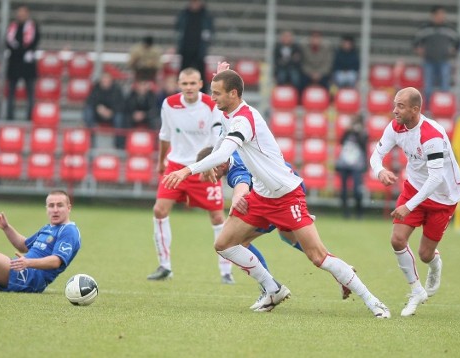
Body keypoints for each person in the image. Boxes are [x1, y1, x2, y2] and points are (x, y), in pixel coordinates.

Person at [163, 69, 390, 317]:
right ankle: (273, 289)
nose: (211, 97)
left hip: (286, 195)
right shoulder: (228, 114)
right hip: (261, 197)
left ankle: (373, 301)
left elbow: (224, 152)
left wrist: (187, 170)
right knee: (224, 244)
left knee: (317, 256)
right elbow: (219, 146)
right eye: (211, 92)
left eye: (216, 93)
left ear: (233, 93)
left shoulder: (244, 119)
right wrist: (223, 75)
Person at [197, 146, 353, 301]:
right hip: (289, 183)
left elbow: (242, 183)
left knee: (238, 242)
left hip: (282, 194)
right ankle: (341, 271)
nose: (203, 177)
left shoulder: (235, 167)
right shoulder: (234, 149)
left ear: (218, 164)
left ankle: (271, 288)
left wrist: (237, 197)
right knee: (290, 237)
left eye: (205, 171)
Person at [369, 87, 460, 316]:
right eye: (395, 104)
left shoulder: (431, 135)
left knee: (425, 254)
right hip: (414, 189)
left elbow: (436, 178)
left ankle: (435, 263)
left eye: (400, 106)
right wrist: (379, 170)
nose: (395, 110)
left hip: (442, 197)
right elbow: (376, 156)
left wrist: (407, 206)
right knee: (397, 240)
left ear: (415, 109)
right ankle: (416, 290)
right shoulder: (395, 127)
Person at [147, 67, 234, 284]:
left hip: (203, 166)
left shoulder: (211, 104)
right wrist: (161, 162)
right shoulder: (169, 104)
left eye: (193, 83)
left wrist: (212, 164)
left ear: (200, 84)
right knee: (159, 210)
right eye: (184, 84)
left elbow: (217, 135)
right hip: (176, 165)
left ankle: (226, 271)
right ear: (179, 84)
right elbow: (164, 135)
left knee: (217, 216)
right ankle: (164, 266)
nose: (189, 88)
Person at [413, 6, 460, 109]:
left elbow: (458, 41)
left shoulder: (449, 28)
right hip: (428, 61)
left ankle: (444, 108)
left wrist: (454, 50)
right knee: (428, 87)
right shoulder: (425, 28)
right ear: (433, 16)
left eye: (443, 15)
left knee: (445, 86)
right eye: (439, 15)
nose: (441, 17)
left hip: (444, 61)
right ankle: (428, 109)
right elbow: (415, 41)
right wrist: (419, 49)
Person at [5, 5, 40, 121]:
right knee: (11, 92)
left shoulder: (33, 26)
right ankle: (10, 117)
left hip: (27, 64)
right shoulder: (12, 27)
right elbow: (8, 42)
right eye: (19, 12)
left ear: (28, 13)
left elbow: (33, 42)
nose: (21, 14)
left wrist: (22, 50)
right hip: (14, 63)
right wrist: (20, 50)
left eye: (23, 12)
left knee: (30, 92)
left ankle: (30, 117)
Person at [175, 0, 214, 91]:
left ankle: (203, 93)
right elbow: (178, 29)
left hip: (199, 50)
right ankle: (181, 91)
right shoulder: (184, 15)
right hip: (186, 49)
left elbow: (210, 32)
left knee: (201, 74)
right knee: (183, 73)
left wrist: (206, 45)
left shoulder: (206, 16)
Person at [335, 114, 368, 219]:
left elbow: (363, 146)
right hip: (344, 164)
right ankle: (345, 213)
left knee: (357, 190)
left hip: (357, 165)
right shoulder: (347, 132)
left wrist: (357, 133)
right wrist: (348, 130)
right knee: (343, 190)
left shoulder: (363, 133)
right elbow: (341, 142)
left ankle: (359, 212)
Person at [82, 72, 126, 149]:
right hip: (98, 114)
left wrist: (112, 111)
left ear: (111, 81)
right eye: (103, 81)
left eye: (107, 81)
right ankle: (91, 140)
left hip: (112, 114)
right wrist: (98, 108)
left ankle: (119, 144)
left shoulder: (117, 89)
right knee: (88, 112)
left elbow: (121, 104)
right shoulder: (96, 88)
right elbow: (90, 101)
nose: (105, 83)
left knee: (120, 117)